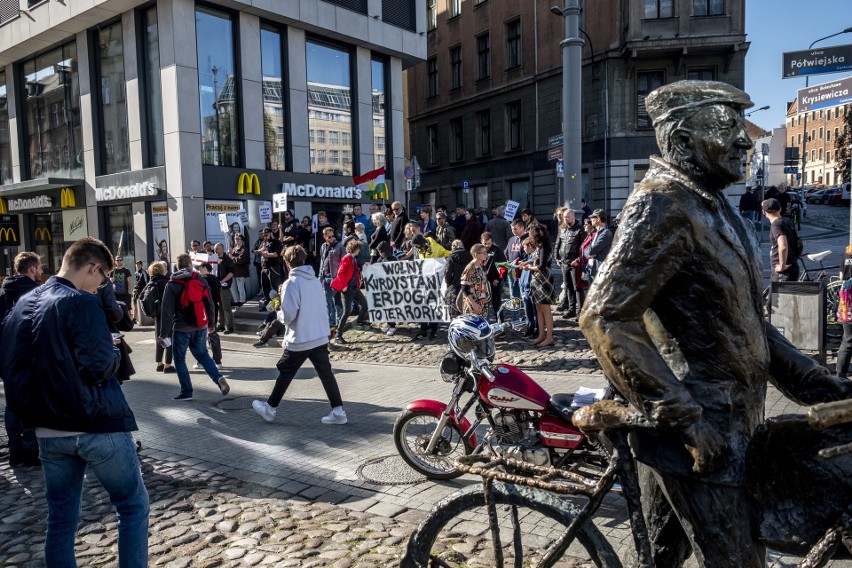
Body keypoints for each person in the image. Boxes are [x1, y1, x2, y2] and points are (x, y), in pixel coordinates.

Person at [580, 80, 852, 567]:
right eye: (727, 126)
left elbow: (748, 326)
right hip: (700, 436)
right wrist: (684, 418)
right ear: (683, 141)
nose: (745, 141)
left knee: (661, 557)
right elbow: (604, 316)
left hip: (723, 428)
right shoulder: (662, 203)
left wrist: (819, 386)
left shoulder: (711, 203)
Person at [0, 237, 149, 565]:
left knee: (61, 518)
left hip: (49, 430)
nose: (100, 286)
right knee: (132, 505)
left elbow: (10, 365)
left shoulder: (23, 304)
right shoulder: (81, 301)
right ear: (93, 268)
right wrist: (112, 346)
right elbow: (98, 366)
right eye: (102, 278)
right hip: (96, 423)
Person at [251, 245, 348, 425]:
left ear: (287, 263)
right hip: (318, 335)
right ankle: (338, 411)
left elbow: (288, 315)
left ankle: (270, 408)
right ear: (303, 260)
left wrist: (277, 310)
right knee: (326, 374)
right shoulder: (314, 280)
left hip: (301, 337)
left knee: (285, 373)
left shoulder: (291, 283)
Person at [159, 253, 230, 401]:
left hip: (181, 328)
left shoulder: (172, 283)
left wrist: (163, 334)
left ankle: (187, 392)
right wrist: (211, 324)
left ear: (177, 267)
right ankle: (219, 379)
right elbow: (209, 303)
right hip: (200, 325)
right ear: (190, 264)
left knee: (179, 360)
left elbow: (166, 312)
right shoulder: (200, 279)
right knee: (203, 354)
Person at [0, 251, 43, 467]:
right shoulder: (36, 293)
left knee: (12, 405)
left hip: (7, 358)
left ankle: (15, 451)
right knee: (31, 405)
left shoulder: (4, 292)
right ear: (32, 269)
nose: (42, 271)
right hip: (29, 356)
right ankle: (31, 450)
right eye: (40, 267)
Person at [520, 233, 556, 347]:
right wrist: (528, 262)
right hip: (537, 281)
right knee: (538, 308)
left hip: (544, 281)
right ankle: (541, 335)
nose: (530, 236)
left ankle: (549, 337)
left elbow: (541, 266)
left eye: (532, 234)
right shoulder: (539, 247)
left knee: (545, 308)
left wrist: (528, 267)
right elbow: (537, 261)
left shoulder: (544, 247)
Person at [331, 239, 370, 343]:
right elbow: (340, 273)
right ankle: (338, 335)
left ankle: (360, 321)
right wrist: (344, 286)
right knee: (346, 311)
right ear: (355, 249)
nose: (359, 251)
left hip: (354, 288)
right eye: (359, 249)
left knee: (365, 304)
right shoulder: (347, 258)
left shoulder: (353, 258)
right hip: (347, 289)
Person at [554, 209, 584, 317]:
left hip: (575, 263)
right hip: (564, 262)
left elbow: (583, 248)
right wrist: (556, 257)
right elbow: (558, 244)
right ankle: (571, 309)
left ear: (573, 216)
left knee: (577, 287)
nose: (565, 219)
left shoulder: (580, 230)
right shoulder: (562, 229)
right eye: (564, 217)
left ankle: (580, 311)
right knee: (568, 286)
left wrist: (578, 260)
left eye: (567, 217)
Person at [763, 197, 800, 281]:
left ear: (764, 212)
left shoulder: (776, 225)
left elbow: (783, 246)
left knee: (778, 294)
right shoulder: (787, 222)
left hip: (783, 273)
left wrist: (782, 266)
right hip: (792, 266)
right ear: (780, 209)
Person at [147, 261, 175, 374]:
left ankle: (159, 363)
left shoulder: (151, 282)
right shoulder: (165, 282)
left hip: (156, 314)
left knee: (159, 338)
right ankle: (168, 365)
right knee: (169, 338)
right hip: (166, 314)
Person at [320, 226, 345, 338]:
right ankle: (331, 323)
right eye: (329, 237)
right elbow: (322, 261)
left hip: (336, 277)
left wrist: (342, 278)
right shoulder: (323, 246)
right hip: (326, 277)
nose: (331, 238)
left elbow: (344, 262)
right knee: (328, 301)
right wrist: (320, 276)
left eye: (333, 236)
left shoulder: (339, 246)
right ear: (324, 237)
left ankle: (340, 322)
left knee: (337, 301)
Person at [374, 241, 399, 336]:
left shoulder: (394, 259)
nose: (379, 253)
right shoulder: (380, 260)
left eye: (381, 251)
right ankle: (389, 323)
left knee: (390, 307)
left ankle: (392, 325)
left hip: (392, 288)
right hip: (383, 288)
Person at [480, 232, 507, 320]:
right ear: (481, 242)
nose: (487, 246)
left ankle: (500, 322)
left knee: (496, 303)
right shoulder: (478, 250)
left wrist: (498, 279)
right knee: (483, 304)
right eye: (485, 244)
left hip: (494, 281)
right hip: (481, 282)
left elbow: (503, 266)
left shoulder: (497, 250)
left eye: (489, 243)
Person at [459, 244, 491, 316]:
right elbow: (465, 288)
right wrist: (473, 304)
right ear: (476, 255)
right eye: (484, 253)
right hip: (473, 306)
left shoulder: (481, 266)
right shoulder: (470, 268)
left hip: (482, 303)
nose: (486, 254)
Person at [444, 240, 473, 319]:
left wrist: (449, 283)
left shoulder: (451, 257)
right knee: (468, 310)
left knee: (455, 311)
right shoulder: (470, 256)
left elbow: (447, 273)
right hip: (468, 286)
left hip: (455, 287)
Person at [257, 227, 284, 307]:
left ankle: (276, 305)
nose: (265, 236)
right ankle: (267, 304)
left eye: (266, 235)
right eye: (264, 235)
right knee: (265, 287)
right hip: (264, 267)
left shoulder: (276, 242)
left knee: (275, 287)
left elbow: (276, 254)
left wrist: (266, 254)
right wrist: (257, 251)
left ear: (271, 233)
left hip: (273, 267)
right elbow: (260, 249)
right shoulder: (264, 242)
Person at [836, 244, 852, 377]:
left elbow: (841, 277)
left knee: (847, 339)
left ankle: (841, 374)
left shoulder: (847, 253)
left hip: (847, 301)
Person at [586, 209, 612, 281]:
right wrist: (590, 253)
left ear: (598, 219)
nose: (591, 219)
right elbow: (587, 250)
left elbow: (591, 250)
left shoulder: (605, 233)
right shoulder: (597, 232)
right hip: (592, 269)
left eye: (592, 218)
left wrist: (592, 253)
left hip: (600, 270)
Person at [227, 233, 250, 307]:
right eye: (235, 239)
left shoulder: (244, 249)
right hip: (233, 272)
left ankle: (242, 302)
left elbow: (240, 260)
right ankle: (236, 301)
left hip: (240, 272)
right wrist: (228, 255)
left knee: (240, 288)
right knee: (233, 288)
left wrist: (231, 256)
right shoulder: (234, 249)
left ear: (242, 240)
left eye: (237, 239)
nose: (236, 240)